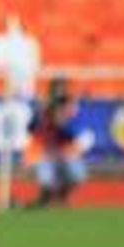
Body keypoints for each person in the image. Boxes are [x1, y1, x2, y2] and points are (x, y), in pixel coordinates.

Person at [26, 77, 86, 207]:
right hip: (44, 152)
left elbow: (72, 135)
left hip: (64, 152)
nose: (59, 98)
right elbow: (31, 128)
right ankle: (44, 200)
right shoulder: (43, 109)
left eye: (62, 93)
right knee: (47, 178)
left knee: (78, 174)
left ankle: (61, 197)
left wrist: (61, 121)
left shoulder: (71, 109)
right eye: (56, 93)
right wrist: (43, 114)